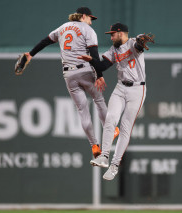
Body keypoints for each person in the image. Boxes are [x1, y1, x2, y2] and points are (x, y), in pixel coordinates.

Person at [22, 7, 119, 158]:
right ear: (84, 16)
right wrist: (99, 74)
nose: (91, 22)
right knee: (99, 100)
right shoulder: (87, 30)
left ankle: (93, 144)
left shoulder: (63, 27)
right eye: (90, 19)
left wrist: (31, 54)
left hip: (69, 74)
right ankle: (111, 129)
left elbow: (45, 41)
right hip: (85, 70)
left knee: (82, 110)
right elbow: (93, 55)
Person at [78, 23, 149, 180]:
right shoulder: (114, 50)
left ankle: (115, 165)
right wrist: (91, 60)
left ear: (121, 33)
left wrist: (141, 42)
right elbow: (102, 65)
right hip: (120, 87)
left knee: (125, 127)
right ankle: (104, 156)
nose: (111, 37)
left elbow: (139, 44)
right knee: (110, 119)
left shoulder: (132, 42)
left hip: (137, 89)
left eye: (113, 34)